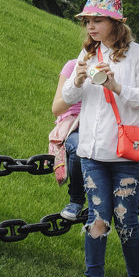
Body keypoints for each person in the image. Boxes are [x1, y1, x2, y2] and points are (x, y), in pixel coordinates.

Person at [61, 0, 139, 277]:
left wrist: (118, 88)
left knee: (127, 222)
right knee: (98, 220)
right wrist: (76, 80)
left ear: (116, 23)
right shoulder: (87, 54)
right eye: (87, 21)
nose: (90, 26)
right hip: (91, 153)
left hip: (125, 156)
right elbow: (67, 98)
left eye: (97, 20)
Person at [50, 58, 84, 220]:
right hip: (74, 123)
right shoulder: (73, 66)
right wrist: (77, 83)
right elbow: (56, 109)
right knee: (78, 148)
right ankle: (76, 200)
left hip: (101, 124)